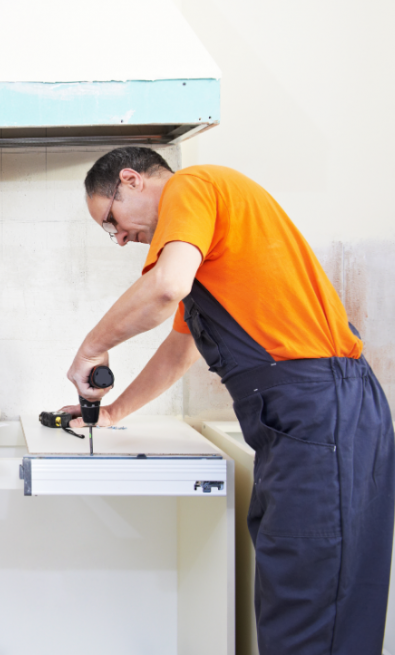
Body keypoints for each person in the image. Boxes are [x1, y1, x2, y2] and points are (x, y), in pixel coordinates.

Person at [62, 146, 394, 653]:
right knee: (294, 591)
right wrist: (112, 412)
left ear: (131, 180)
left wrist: (92, 346)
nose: (121, 238)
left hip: (319, 411)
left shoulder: (192, 186)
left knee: (313, 608)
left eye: (111, 221)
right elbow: (179, 349)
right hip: (297, 418)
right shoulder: (204, 255)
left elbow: (165, 286)